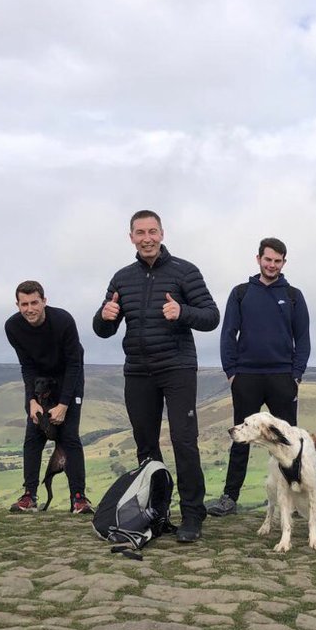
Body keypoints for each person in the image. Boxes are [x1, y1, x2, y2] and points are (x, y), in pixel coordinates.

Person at [93, 209, 219, 542]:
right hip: (137, 370)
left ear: (162, 233)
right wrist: (104, 316)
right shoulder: (122, 277)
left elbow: (211, 317)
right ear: (131, 237)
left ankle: (193, 515)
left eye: (152, 231)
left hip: (177, 367)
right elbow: (103, 330)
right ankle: (154, 513)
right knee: (146, 446)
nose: (147, 238)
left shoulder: (185, 271)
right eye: (140, 232)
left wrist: (182, 312)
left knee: (183, 440)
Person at [208, 238, 311, 518]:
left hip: (282, 377)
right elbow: (228, 333)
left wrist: (296, 376)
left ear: (284, 263)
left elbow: (302, 338)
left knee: (289, 441)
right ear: (258, 259)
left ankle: (295, 501)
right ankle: (229, 498)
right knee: (240, 438)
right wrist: (232, 373)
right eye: (268, 260)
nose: (272, 265)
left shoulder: (293, 295)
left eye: (277, 261)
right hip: (247, 377)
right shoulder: (241, 293)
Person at [5, 280, 91, 515]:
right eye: (24, 304)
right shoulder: (12, 327)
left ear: (44, 301)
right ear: (17, 304)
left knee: (69, 436)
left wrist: (63, 404)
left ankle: (79, 498)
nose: (29, 309)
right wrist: (32, 400)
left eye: (34, 302)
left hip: (68, 377)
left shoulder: (63, 321)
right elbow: (27, 366)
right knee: (33, 436)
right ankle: (29, 496)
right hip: (39, 380)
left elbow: (75, 363)